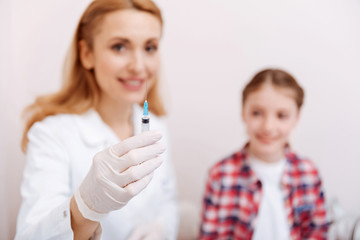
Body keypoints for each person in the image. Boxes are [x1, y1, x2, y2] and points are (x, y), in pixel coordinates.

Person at [15, 0, 178, 239]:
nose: (139, 66)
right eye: (120, 47)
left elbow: (168, 201)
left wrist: (161, 230)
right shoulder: (51, 135)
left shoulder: (156, 126)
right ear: (87, 54)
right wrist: (84, 207)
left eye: (150, 47)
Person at [199, 68, 330, 239]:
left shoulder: (309, 173)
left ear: (296, 118)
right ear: (243, 112)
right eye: (257, 113)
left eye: (281, 115)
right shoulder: (220, 174)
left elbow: (318, 232)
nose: (268, 126)